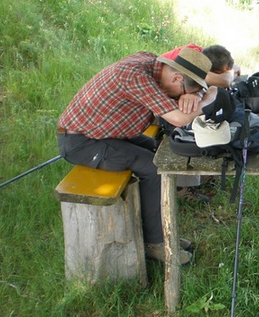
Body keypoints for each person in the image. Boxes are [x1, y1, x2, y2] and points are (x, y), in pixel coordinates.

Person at [57, 48, 218, 265]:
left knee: (159, 150)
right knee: (153, 168)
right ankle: (155, 243)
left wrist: (194, 94)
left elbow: (186, 100)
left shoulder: (151, 63)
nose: (179, 97)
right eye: (181, 91)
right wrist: (208, 98)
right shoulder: (134, 75)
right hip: (82, 143)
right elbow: (180, 119)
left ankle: (159, 231)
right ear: (177, 77)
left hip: (107, 135)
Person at [160, 44, 240, 202]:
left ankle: (199, 177)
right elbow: (224, 81)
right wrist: (230, 73)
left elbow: (209, 82)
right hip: (161, 103)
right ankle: (183, 188)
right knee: (192, 115)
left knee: (197, 110)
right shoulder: (192, 63)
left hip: (171, 94)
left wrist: (197, 93)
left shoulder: (202, 57)